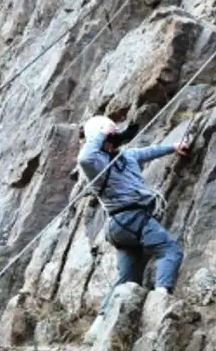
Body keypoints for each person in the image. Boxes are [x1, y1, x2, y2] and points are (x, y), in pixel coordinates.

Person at [77, 115, 189, 318]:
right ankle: (159, 302)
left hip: (119, 226)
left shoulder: (126, 156)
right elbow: (84, 157)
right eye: (108, 140)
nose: (112, 144)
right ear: (100, 140)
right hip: (131, 219)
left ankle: (100, 325)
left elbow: (148, 152)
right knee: (170, 251)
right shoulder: (95, 165)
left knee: (128, 278)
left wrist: (173, 147)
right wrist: (102, 133)